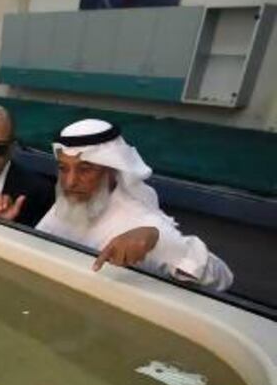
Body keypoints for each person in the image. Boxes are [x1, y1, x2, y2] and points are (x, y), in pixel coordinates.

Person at [36, 118, 233, 291]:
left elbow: (222, 279)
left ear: (112, 170)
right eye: (63, 169)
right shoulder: (70, 203)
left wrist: (157, 241)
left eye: (85, 170)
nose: (70, 182)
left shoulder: (139, 221)